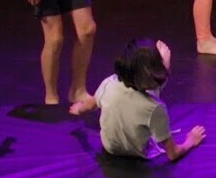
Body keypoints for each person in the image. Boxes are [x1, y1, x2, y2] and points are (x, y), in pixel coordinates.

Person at [69, 38, 207, 161]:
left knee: (143, 100)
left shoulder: (108, 83)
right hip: (139, 153)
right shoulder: (155, 108)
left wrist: (79, 108)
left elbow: (91, 105)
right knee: (148, 104)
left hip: (110, 148)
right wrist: (190, 141)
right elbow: (173, 154)